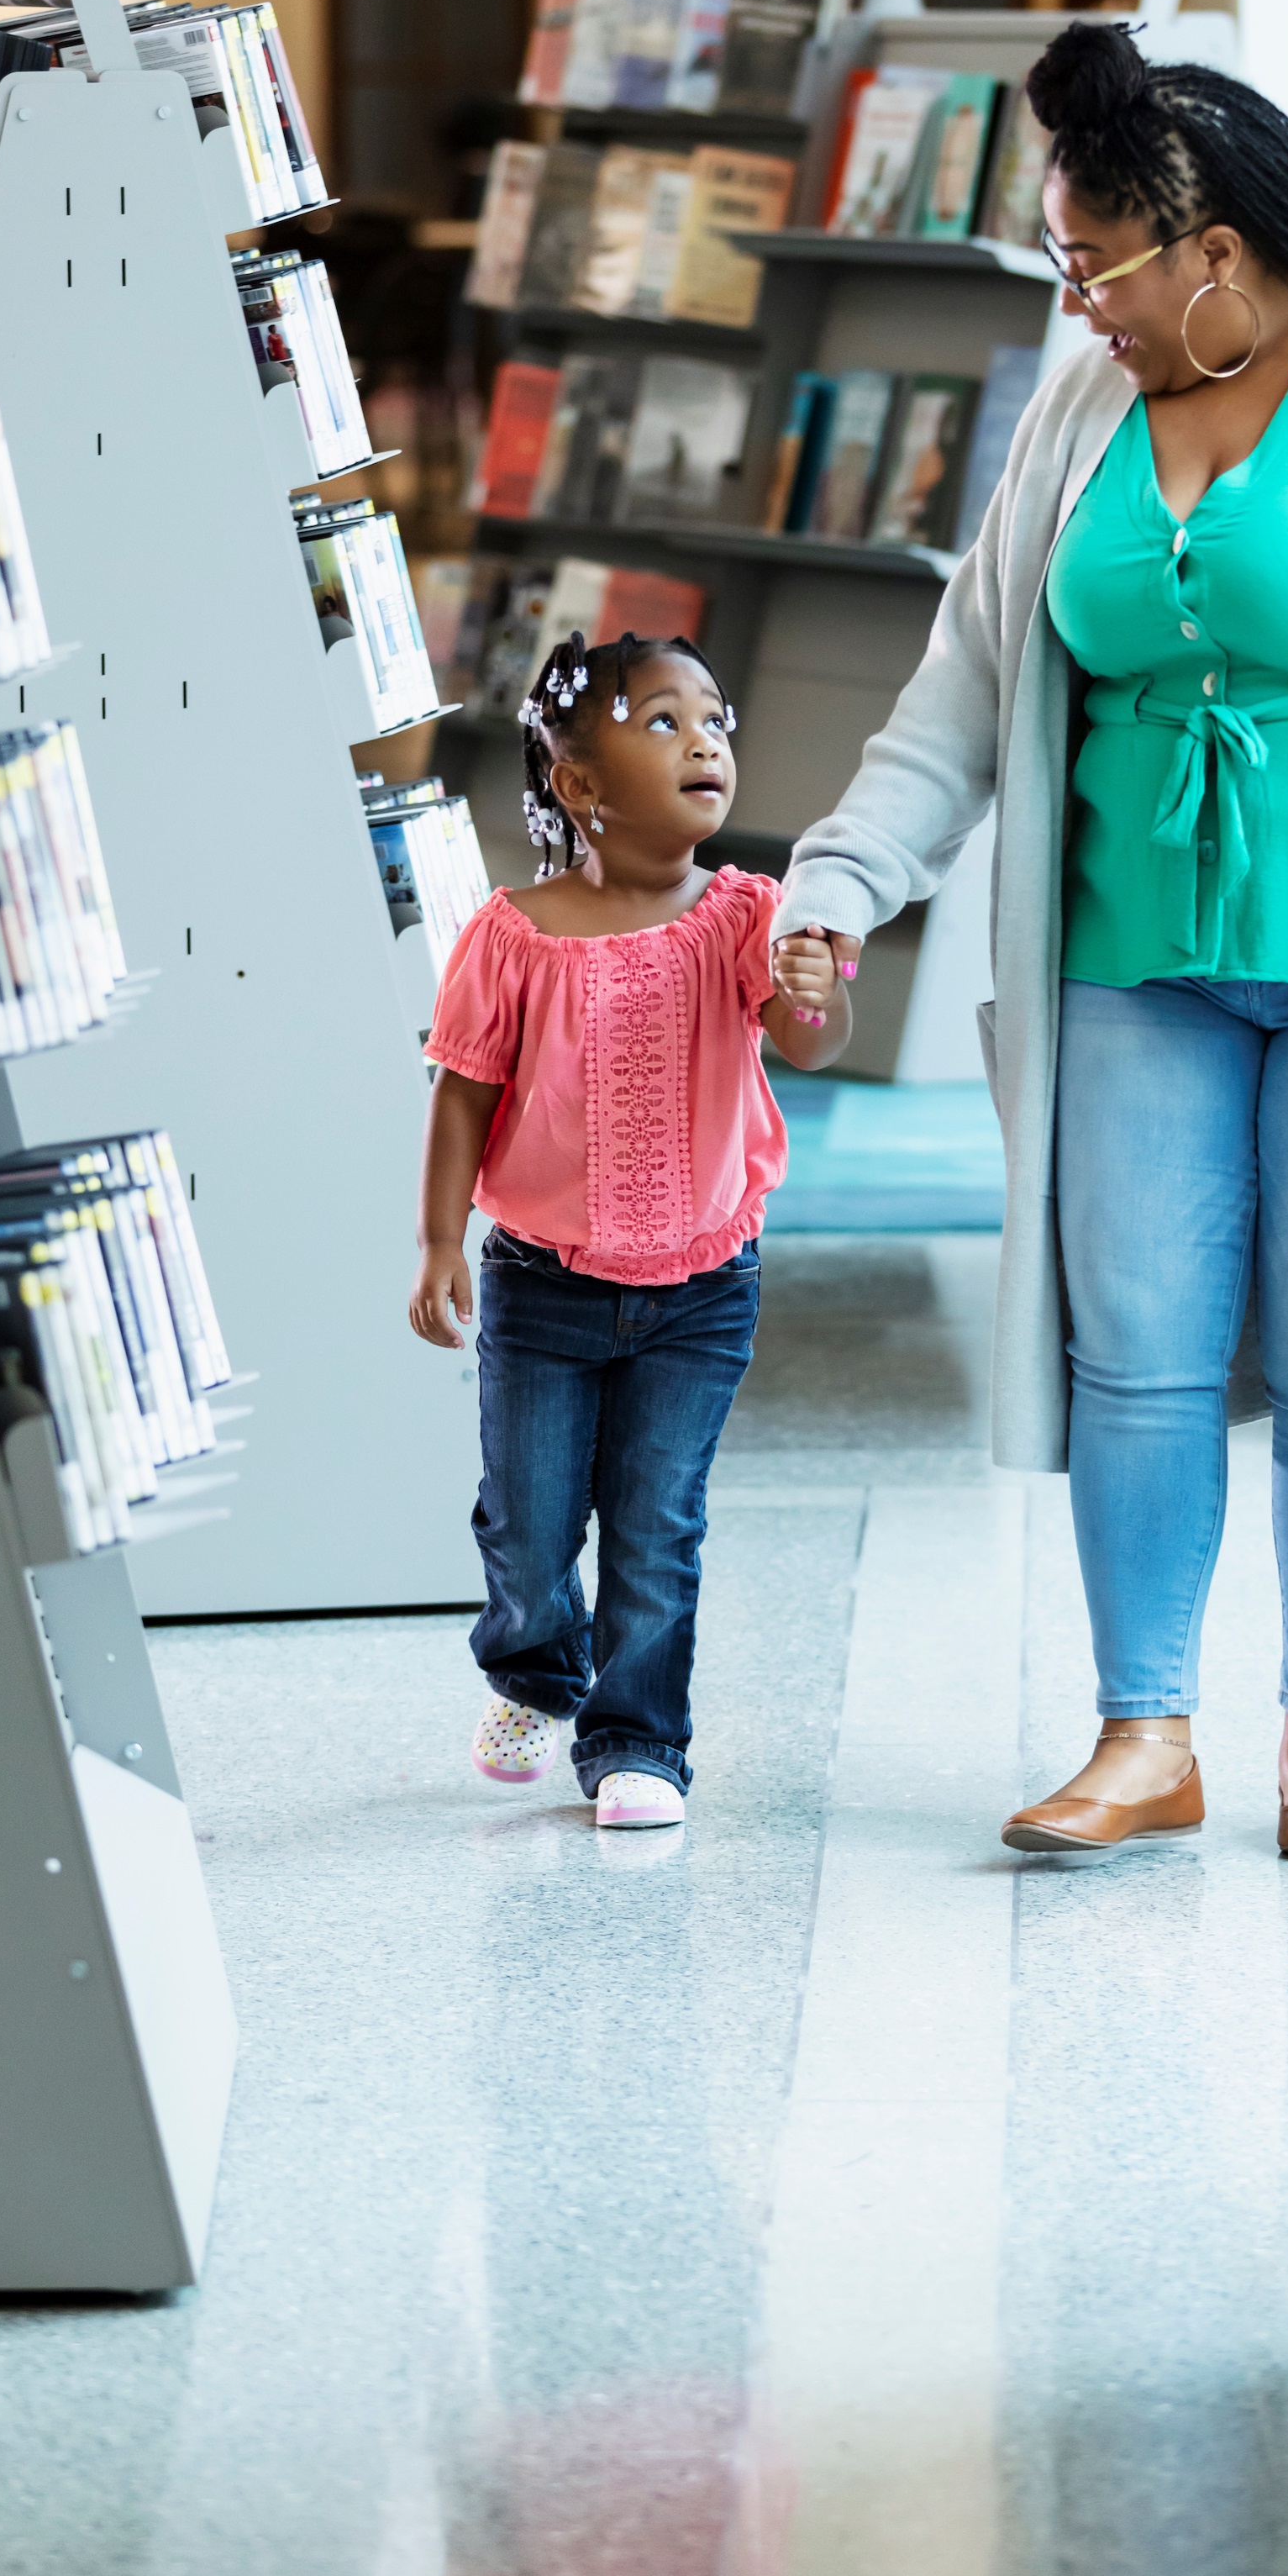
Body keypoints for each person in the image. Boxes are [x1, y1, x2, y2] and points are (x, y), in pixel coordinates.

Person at [774, 34, 1288, 1861]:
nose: (1082, 311)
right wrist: (837, 883)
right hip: (1128, 956)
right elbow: (967, 691)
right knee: (1133, 1343)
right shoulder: (1084, 415)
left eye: (1097, 270)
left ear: (1211, 247)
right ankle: (1145, 1733)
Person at [410, 630, 851, 1830]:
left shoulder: (749, 918)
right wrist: (440, 1241)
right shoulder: (512, 936)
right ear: (580, 787)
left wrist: (816, 996)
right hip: (540, 1290)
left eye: (715, 721)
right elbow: (463, 1090)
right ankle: (533, 1671)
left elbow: (809, 1041)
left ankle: (639, 1742)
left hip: (705, 1290)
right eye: (663, 722)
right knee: (530, 1516)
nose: (706, 740)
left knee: (658, 1526)